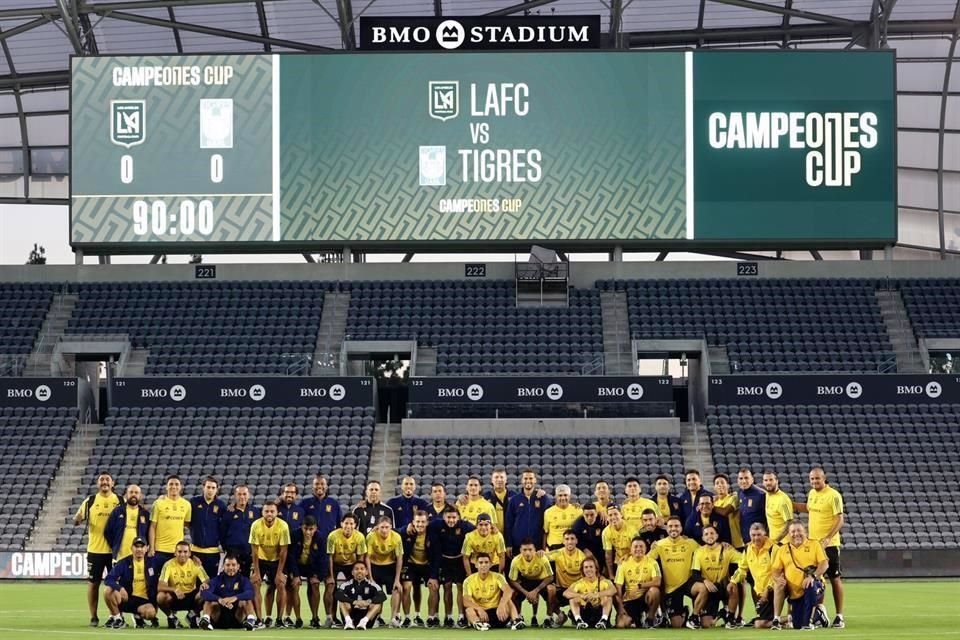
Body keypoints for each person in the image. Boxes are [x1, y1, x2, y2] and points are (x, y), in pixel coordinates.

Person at [793, 466, 845, 628]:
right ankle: (820, 611)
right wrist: (790, 503)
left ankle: (839, 616)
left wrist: (828, 538)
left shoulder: (833, 495)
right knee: (816, 578)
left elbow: (840, 519)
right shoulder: (812, 494)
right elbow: (808, 509)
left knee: (834, 577)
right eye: (812, 479)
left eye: (817, 478)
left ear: (824, 478)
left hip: (829, 545)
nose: (814, 481)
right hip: (812, 544)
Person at [74, 471, 120, 626]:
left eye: (107, 479)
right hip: (95, 550)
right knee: (93, 584)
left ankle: (114, 615)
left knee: (115, 585)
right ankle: (93, 617)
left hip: (115, 551)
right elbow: (77, 519)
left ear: (113, 483)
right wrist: (78, 519)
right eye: (102, 480)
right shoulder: (90, 501)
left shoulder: (120, 500)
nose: (105, 482)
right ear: (97, 483)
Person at [298, 473, 341, 628]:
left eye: (322, 484)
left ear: (326, 486)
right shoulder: (304, 504)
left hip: (329, 552)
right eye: (316, 484)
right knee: (313, 584)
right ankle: (315, 617)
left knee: (331, 584)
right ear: (312, 486)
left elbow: (340, 526)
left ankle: (331, 617)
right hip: (311, 552)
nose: (319, 487)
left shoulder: (334, 504)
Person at [771, 521, 830, 630]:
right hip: (794, 591)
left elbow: (824, 564)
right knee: (797, 624)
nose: (796, 534)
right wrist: (778, 579)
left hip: (814, 585)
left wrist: (813, 576)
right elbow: (775, 570)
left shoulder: (814, 544)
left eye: (799, 530)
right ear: (788, 534)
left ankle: (809, 622)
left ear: (805, 532)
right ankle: (777, 619)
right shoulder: (783, 549)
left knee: (809, 584)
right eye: (793, 531)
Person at [427, 505, 475, 628]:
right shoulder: (435, 525)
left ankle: (461, 617)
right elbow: (419, 525)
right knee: (447, 587)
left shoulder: (466, 526)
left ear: (458, 517)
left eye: (454, 517)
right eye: (448, 517)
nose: (451, 520)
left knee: (460, 587)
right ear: (443, 517)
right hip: (444, 561)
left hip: (460, 561)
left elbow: (479, 530)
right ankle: (448, 617)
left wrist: (492, 529)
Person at [647, 515, 699, 628]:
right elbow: (646, 561)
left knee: (701, 588)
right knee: (677, 625)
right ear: (667, 528)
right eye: (670, 526)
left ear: (681, 528)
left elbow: (705, 553)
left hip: (688, 583)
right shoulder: (659, 544)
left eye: (676, 526)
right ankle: (684, 612)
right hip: (671, 588)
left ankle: (697, 615)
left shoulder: (690, 543)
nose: (673, 528)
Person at [686, 525, 741, 629]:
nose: (709, 536)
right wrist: (705, 581)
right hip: (708, 589)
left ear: (717, 536)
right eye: (706, 534)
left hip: (721, 587)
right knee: (706, 624)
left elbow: (744, 561)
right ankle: (716, 614)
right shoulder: (699, 552)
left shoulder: (727, 550)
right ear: (702, 538)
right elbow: (695, 573)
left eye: (712, 533)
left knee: (733, 586)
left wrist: (734, 579)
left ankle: (731, 618)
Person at [249, 499, 291, 627]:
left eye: (272, 511)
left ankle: (279, 620)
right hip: (261, 559)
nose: (269, 514)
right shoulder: (256, 525)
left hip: (277, 560)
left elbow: (284, 550)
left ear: (277, 513)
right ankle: (260, 619)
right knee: (255, 584)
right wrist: (256, 572)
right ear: (262, 512)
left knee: (281, 584)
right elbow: (254, 551)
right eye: (266, 511)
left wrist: (279, 573)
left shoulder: (283, 526)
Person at [102, 537, 158, 629]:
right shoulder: (124, 562)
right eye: (136, 546)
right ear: (131, 548)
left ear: (147, 548)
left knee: (151, 613)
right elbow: (108, 579)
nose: (139, 549)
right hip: (126, 598)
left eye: (142, 546)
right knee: (108, 591)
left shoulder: (153, 563)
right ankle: (118, 618)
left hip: (143, 601)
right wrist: (120, 588)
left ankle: (138, 616)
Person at [731, 522, 777, 628]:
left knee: (760, 624)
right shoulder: (748, 549)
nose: (756, 538)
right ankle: (787, 619)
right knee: (760, 622)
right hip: (761, 592)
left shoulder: (773, 548)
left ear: (765, 534)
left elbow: (777, 572)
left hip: (774, 589)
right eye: (753, 535)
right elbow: (742, 569)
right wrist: (733, 581)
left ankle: (788, 618)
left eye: (759, 535)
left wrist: (768, 588)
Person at [461, 553, 525, 630]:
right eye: (481, 563)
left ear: (490, 564)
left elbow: (508, 591)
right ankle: (478, 624)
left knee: (508, 601)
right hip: (481, 615)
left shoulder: (498, 577)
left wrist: (501, 605)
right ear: (476, 565)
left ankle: (516, 620)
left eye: (486, 562)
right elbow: (466, 601)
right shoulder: (468, 581)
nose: (483, 565)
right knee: (469, 610)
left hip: (499, 614)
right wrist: (479, 609)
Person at [156, 541, 209, 628]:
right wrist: (174, 590)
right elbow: (160, 586)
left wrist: (204, 584)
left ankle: (192, 614)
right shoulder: (168, 565)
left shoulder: (195, 563)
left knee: (206, 593)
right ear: (175, 553)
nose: (182, 554)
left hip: (191, 597)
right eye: (179, 551)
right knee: (160, 597)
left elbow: (207, 580)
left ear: (189, 553)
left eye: (185, 552)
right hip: (175, 597)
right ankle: (171, 617)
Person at [199, 554, 257, 631]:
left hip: (237, 616)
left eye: (233, 565)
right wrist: (219, 599)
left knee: (246, 600)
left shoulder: (243, 580)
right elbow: (204, 593)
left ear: (238, 566)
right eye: (228, 565)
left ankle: (250, 621)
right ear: (223, 566)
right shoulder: (216, 580)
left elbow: (250, 593)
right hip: (219, 617)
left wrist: (234, 598)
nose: (230, 568)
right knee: (209, 601)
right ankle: (205, 620)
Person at [285, 515, 324, 628]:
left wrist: (318, 576)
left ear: (315, 528)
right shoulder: (294, 535)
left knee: (315, 586)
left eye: (311, 529)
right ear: (301, 527)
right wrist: (296, 575)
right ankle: (298, 619)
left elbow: (323, 558)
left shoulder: (320, 537)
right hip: (297, 565)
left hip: (312, 566)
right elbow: (290, 556)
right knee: (295, 585)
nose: (308, 532)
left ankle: (315, 618)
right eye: (305, 529)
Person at [614, 537, 662, 629]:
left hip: (645, 597)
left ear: (645, 548)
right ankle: (639, 618)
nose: (638, 549)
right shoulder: (623, 563)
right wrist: (621, 607)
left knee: (655, 591)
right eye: (635, 547)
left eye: (641, 546)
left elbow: (657, 581)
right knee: (621, 625)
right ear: (631, 549)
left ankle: (650, 618)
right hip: (630, 599)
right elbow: (618, 586)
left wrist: (640, 586)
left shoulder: (652, 562)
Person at [365, 515, 404, 627]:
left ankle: (393, 618)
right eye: (382, 527)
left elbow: (399, 558)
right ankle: (377, 618)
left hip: (390, 566)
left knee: (396, 589)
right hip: (375, 566)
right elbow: (367, 557)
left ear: (391, 527)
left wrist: (397, 579)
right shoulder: (371, 536)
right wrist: (370, 577)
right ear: (377, 527)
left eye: (387, 527)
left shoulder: (396, 537)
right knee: (377, 592)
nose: (384, 530)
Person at [149, 475, 192, 574]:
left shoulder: (186, 505)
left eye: (177, 484)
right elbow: (152, 526)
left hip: (177, 551)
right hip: (160, 549)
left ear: (180, 487)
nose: (174, 486)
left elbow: (187, 524)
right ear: (166, 487)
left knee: (174, 581)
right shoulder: (158, 503)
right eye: (171, 484)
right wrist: (151, 548)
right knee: (156, 580)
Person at [504, 468, 552, 557]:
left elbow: (552, 516)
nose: (528, 481)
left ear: (535, 480)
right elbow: (508, 524)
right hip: (518, 546)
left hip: (537, 546)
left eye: (530, 478)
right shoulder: (514, 500)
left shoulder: (543, 499)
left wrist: (544, 546)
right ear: (522, 480)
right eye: (525, 478)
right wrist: (509, 544)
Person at [506, 538, 553, 627]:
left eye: (530, 550)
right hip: (525, 581)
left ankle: (548, 618)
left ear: (535, 550)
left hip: (540, 581)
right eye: (524, 550)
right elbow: (512, 580)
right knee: (512, 592)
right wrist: (527, 593)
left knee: (551, 590)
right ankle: (518, 617)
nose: (527, 553)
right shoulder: (516, 560)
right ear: (520, 550)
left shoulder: (542, 557)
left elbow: (550, 577)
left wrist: (535, 591)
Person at [189, 476, 227, 580]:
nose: (210, 490)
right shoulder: (194, 502)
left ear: (217, 489)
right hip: (196, 551)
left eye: (213, 488)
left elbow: (224, 527)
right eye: (208, 487)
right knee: (194, 582)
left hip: (213, 552)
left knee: (211, 582)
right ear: (203, 487)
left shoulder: (221, 506)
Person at [547, 530, 586, 627]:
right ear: (563, 541)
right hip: (561, 589)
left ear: (576, 541)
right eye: (567, 539)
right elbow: (543, 556)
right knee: (550, 590)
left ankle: (573, 615)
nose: (569, 542)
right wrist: (540, 553)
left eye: (572, 539)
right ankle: (558, 616)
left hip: (576, 591)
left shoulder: (582, 556)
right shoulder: (558, 553)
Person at [565, 556, 616, 630]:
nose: (588, 569)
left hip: (599, 613)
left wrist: (597, 595)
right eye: (586, 567)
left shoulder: (603, 581)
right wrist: (581, 595)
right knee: (573, 598)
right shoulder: (579, 583)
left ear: (596, 569)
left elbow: (613, 590)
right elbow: (566, 593)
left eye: (591, 567)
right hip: (585, 614)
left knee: (608, 596)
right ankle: (579, 621)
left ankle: (603, 621)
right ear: (582, 570)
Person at [219, 484, 260, 578]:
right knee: (230, 580)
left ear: (249, 495)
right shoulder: (228, 512)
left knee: (246, 581)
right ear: (235, 496)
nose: (242, 497)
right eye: (239, 494)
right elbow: (222, 533)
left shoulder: (256, 512)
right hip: (232, 553)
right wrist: (227, 549)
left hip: (249, 553)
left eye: (244, 494)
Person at [335, 561, 387, 630]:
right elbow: (338, 595)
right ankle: (348, 622)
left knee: (377, 603)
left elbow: (383, 596)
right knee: (342, 601)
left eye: (362, 569)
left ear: (366, 572)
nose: (359, 571)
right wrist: (354, 602)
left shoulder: (373, 585)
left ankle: (363, 622)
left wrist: (368, 601)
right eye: (356, 569)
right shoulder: (346, 585)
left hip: (367, 618)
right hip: (351, 615)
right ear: (352, 572)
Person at [400, 511, 431, 627]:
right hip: (411, 564)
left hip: (427, 565)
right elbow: (395, 530)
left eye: (423, 522)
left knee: (430, 587)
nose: (420, 524)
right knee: (407, 587)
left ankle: (424, 616)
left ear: (427, 523)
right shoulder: (407, 531)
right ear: (413, 522)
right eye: (417, 521)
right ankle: (407, 617)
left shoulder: (432, 532)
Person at [104, 484, 149, 562]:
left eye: (136, 492)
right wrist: (115, 545)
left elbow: (149, 534)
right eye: (131, 492)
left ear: (140, 496)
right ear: (126, 495)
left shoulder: (145, 514)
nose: (133, 494)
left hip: (139, 558)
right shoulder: (117, 511)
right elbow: (107, 531)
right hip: (119, 557)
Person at [327, 513, 368, 596]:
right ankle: (330, 609)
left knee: (352, 589)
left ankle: (348, 608)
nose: (348, 526)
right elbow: (330, 557)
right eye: (346, 523)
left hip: (351, 565)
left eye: (351, 524)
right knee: (330, 586)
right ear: (341, 524)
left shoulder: (360, 537)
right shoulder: (333, 536)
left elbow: (360, 558)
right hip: (335, 564)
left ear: (355, 525)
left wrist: (358, 574)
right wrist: (330, 576)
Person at [543, 484, 583, 550]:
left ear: (569, 496)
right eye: (560, 495)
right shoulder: (548, 512)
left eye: (565, 495)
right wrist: (544, 549)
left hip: (572, 546)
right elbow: (545, 532)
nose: (563, 498)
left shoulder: (578, 510)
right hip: (555, 547)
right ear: (556, 497)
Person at [601, 505, 637, 579]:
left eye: (615, 514)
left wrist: (628, 555)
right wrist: (611, 575)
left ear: (621, 514)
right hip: (619, 561)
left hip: (634, 558)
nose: (613, 517)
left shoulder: (631, 529)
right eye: (610, 515)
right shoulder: (606, 532)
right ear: (607, 518)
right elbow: (608, 555)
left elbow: (639, 549)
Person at [571, 503, 605, 573]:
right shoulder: (577, 525)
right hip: (584, 549)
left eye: (592, 515)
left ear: (596, 514)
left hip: (600, 548)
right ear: (583, 515)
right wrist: (585, 550)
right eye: (586, 515)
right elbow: (576, 540)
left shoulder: (603, 521)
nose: (589, 518)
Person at [712, 474, 744, 549]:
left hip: (736, 542)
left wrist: (710, 507)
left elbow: (725, 512)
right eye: (717, 483)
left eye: (722, 482)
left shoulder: (734, 497)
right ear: (714, 487)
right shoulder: (715, 502)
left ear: (728, 485)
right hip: (722, 543)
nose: (720, 485)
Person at [763, 470, 794, 545]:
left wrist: (777, 540)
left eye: (771, 480)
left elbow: (790, 522)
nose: (768, 483)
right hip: (773, 542)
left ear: (776, 481)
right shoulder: (767, 495)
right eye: (766, 480)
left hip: (784, 543)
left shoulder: (783, 499)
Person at [483, 467, 516, 536]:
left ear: (506, 480)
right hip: (491, 536)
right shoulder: (485, 497)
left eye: (502, 477)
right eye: (496, 477)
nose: (499, 479)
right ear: (492, 480)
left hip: (510, 537)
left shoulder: (514, 496)